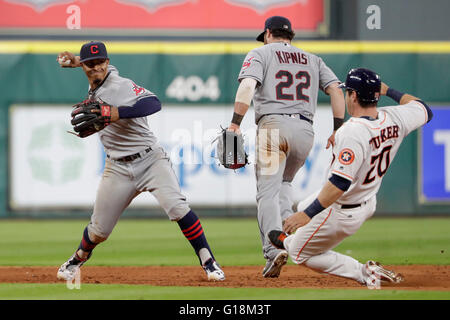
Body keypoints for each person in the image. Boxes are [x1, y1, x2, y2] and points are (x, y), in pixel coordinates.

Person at [55, 41, 225, 282]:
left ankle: (208, 261)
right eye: (89, 64)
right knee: (99, 230)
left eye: (100, 62)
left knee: (177, 208)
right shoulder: (98, 78)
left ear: (108, 62)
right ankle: (78, 258)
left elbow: (153, 103)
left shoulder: (120, 85)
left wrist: (116, 113)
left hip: (150, 160)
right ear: (83, 66)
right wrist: (75, 61)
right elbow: (92, 70)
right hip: (117, 168)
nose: (96, 68)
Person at [269, 68, 433, 287]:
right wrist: (388, 91)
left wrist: (306, 216)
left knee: (300, 253)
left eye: (348, 92)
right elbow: (425, 109)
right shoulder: (395, 117)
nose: (347, 96)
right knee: (304, 203)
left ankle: (365, 272)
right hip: (367, 200)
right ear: (375, 94)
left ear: (353, 95)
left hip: (342, 209)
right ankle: (290, 241)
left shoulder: (353, 132)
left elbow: (339, 184)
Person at [227, 16, 345, 278]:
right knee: (284, 184)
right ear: (290, 35)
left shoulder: (261, 52)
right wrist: (338, 128)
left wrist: (235, 123)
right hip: (305, 132)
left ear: (268, 33)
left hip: (273, 129)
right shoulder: (313, 59)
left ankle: (273, 250)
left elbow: (248, 85)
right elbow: (336, 90)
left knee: (266, 192)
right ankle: (292, 241)